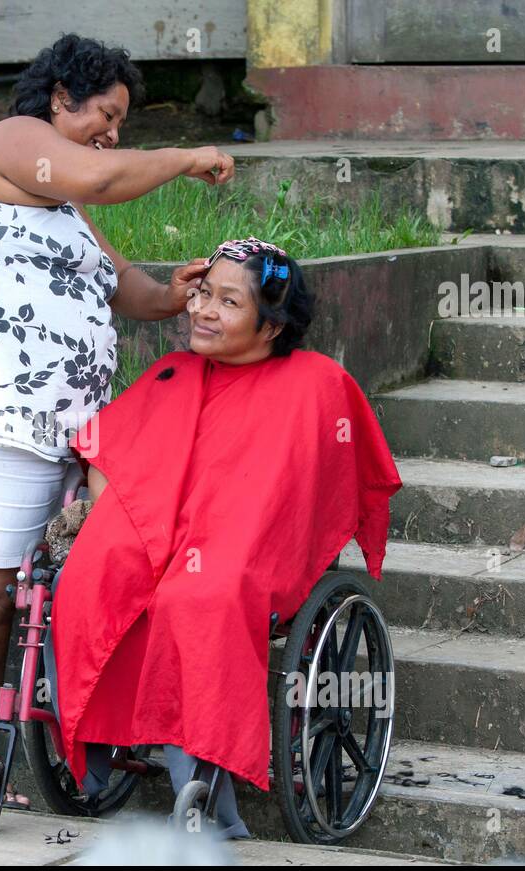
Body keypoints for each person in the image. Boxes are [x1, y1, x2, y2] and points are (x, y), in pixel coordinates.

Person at [0, 33, 238, 808]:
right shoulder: (13, 144)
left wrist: (176, 293)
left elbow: (120, 285)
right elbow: (103, 176)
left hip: (80, 432)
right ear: (61, 95)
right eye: (105, 114)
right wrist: (186, 155)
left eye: (120, 123)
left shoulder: (61, 201)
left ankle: (88, 743)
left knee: (79, 589)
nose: (112, 135)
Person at [49, 237, 403, 836]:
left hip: (251, 547)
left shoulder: (318, 384)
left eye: (228, 302)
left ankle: (210, 799)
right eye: (203, 293)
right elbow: (107, 446)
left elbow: (317, 490)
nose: (204, 310)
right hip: (158, 535)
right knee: (88, 576)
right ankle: (101, 750)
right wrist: (112, 525)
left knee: (198, 599)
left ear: (270, 327)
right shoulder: (174, 371)